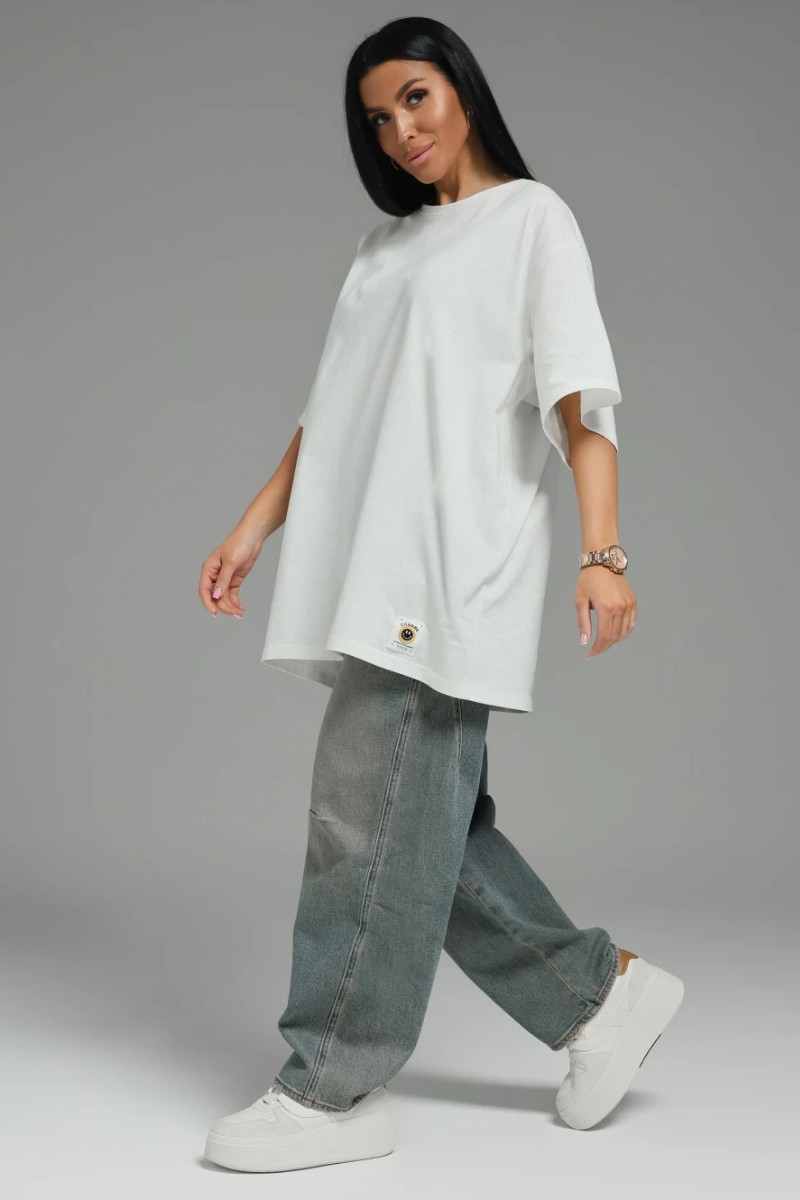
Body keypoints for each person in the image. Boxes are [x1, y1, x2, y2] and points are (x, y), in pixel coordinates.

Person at [198, 16, 684, 1175]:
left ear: (460, 88)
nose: (400, 129)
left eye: (414, 97)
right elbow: (331, 413)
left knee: (360, 826)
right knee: (415, 832)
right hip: (367, 569)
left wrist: (604, 553)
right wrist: (253, 524)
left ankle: (330, 1087)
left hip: (447, 572)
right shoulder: (383, 249)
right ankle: (597, 999)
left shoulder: (531, 220)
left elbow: (579, 402)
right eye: (377, 117)